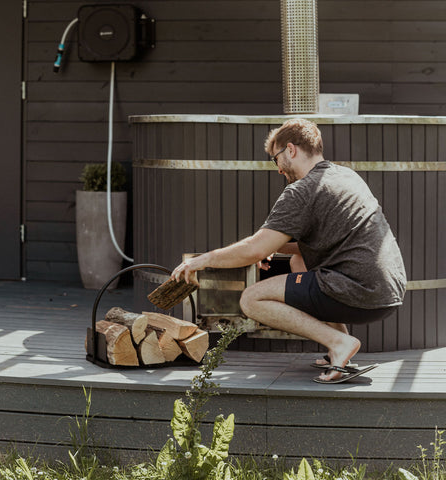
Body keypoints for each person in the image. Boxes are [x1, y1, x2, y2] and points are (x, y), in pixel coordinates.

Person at [171, 118, 406, 383]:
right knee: (298, 259)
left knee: (251, 299)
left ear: (290, 150)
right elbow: (331, 242)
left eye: (275, 159)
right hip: (388, 291)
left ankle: (340, 342)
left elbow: (252, 250)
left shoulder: (301, 191)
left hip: (358, 290)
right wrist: (270, 247)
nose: (279, 169)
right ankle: (337, 350)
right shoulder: (346, 176)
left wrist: (201, 260)